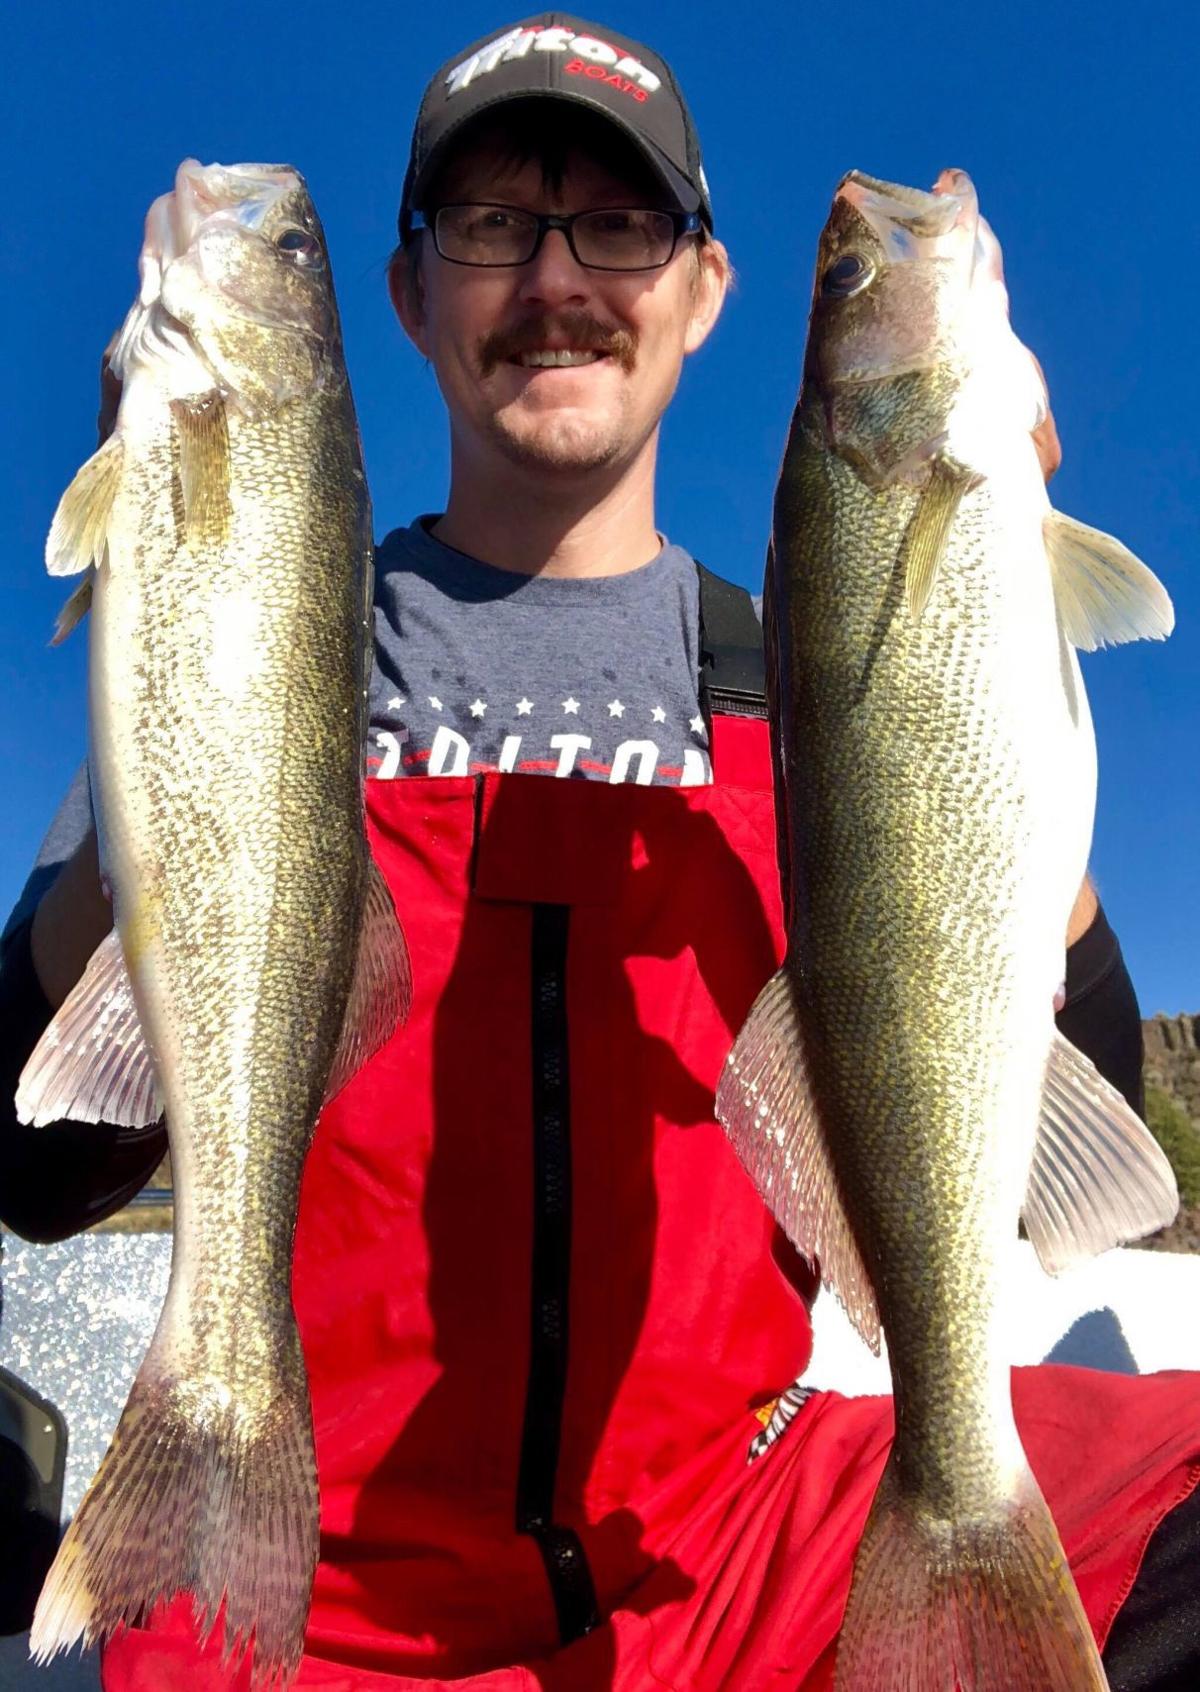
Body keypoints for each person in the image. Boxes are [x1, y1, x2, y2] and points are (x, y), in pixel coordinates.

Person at [1, 15, 1197, 1690]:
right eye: (492, 223)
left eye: (618, 226)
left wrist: (979, 712)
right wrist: (154, 810)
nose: (556, 279)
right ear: (410, 297)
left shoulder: (802, 679)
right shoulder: (255, 657)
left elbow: (1077, 1147)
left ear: (705, 290)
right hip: (316, 1582)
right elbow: (34, 1174)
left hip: (738, 1542)